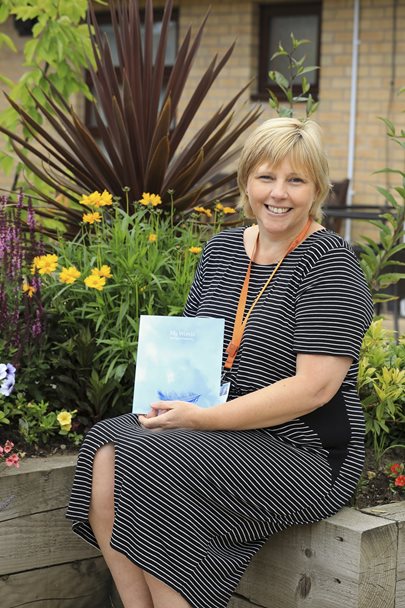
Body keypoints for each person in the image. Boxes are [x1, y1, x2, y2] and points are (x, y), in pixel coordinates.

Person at [66, 117, 374, 608]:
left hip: (305, 448)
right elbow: (198, 349)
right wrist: (172, 398)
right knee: (105, 448)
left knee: (156, 460)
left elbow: (314, 389)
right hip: (213, 422)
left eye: (296, 180)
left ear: (317, 189)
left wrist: (201, 420)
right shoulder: (222, 250)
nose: (279, 193)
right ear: (246, 181)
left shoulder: (330, 263)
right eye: (267, 177)